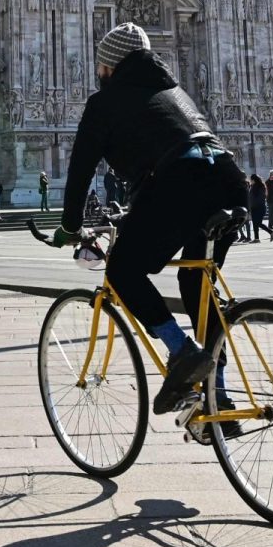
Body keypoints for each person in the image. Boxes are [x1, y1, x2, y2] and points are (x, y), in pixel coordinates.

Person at [52, 22, 248, 416]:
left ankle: (182, 352)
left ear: (108, 66)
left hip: (179, 182)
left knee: (122, 272)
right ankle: (217, 399)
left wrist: (71, 225)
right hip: (230, 180)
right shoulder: (176, 93)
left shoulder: (104, 102)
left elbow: (80, 170)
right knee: (198, 282)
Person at [246, 171, 271, 242]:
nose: (250, 181)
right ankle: (256, 238)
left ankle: (271, 232)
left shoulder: (260, 186)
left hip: (259, 207)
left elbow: (260, 198)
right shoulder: (253, 186)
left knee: (258, 223)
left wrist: (253, 205)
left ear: (253, 180)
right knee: (255, 224)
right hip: (254, 207)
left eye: (251, 180)